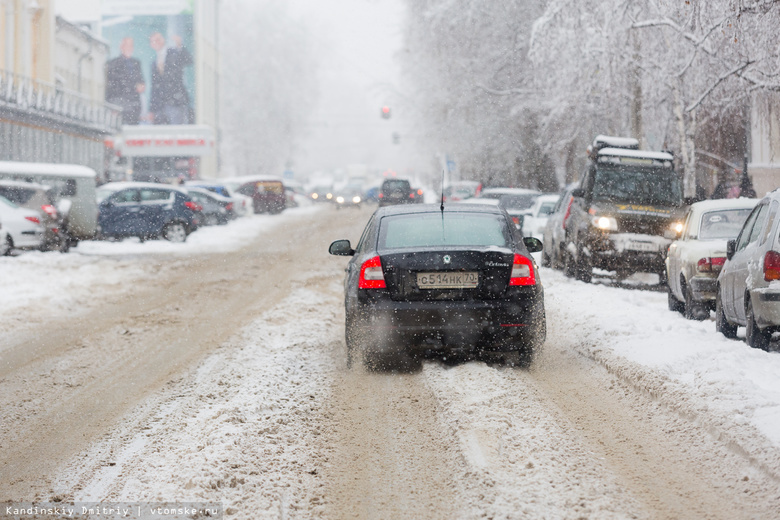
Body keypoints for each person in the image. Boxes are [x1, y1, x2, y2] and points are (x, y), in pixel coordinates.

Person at [148, 32, 193, 125]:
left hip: (176, 101)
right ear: (151, 45)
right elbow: (154, 87)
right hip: (160, 105)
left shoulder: (174, 52)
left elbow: (189, 60)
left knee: (178, 132)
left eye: (158, 39)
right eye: (154, 41)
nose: (157, 42)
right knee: (162, 136)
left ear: (163, 40)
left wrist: (180, 46)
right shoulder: (153, 63)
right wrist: (152, 109)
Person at [105, 37, 145, 125]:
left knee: (133, 134)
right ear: (121, 47)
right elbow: (111, 86)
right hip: (120, 105)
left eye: (131, 45)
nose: (129, 48)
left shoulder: (136, 63)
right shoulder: (113, 64)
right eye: (127, 45)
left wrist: (141, 86)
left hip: (134, 106)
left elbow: (141, 80)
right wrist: (112, 105)